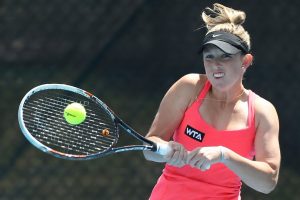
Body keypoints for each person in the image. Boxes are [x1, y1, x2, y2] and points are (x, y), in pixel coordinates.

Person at [143, 3, 281, 200]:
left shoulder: (262, 112)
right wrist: (166, 150)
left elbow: (268, 182)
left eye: (225, 56)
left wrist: (224, 155)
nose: (216, 64)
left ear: (245, 61)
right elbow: (150, 148)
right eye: (209, 56)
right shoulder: (189, 87)